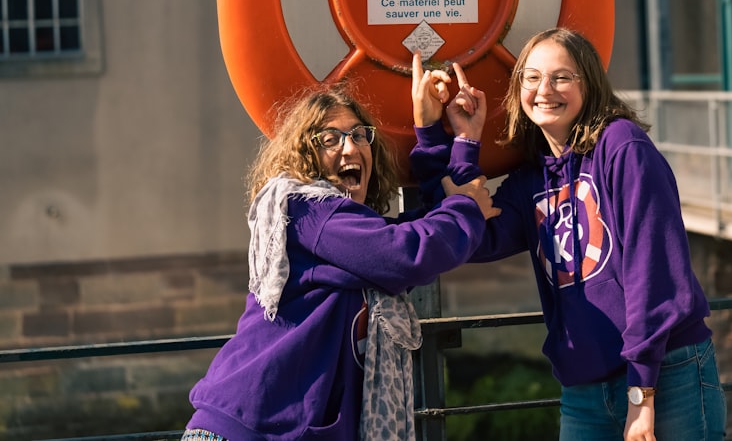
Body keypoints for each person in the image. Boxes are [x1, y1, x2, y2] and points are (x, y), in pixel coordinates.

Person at [411, 29, 726, 441]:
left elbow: (654, 276)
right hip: (584, 389)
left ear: (589, 84)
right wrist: (449, 137)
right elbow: (466, 231)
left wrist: (642, 395)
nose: (545, 90)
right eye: (532, 77)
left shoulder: (623, 147)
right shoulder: (530, 181)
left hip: (667, 374)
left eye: (562, 77)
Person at [183, 84, 498, 441]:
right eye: (329, 139)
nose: (350, 147)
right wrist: (466, 209)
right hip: (244, 430)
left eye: (359, 135)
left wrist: (444, 137)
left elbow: (429, 224)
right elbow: (410, 252)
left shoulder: (350, 236)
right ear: (305, 154)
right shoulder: (310, 212)